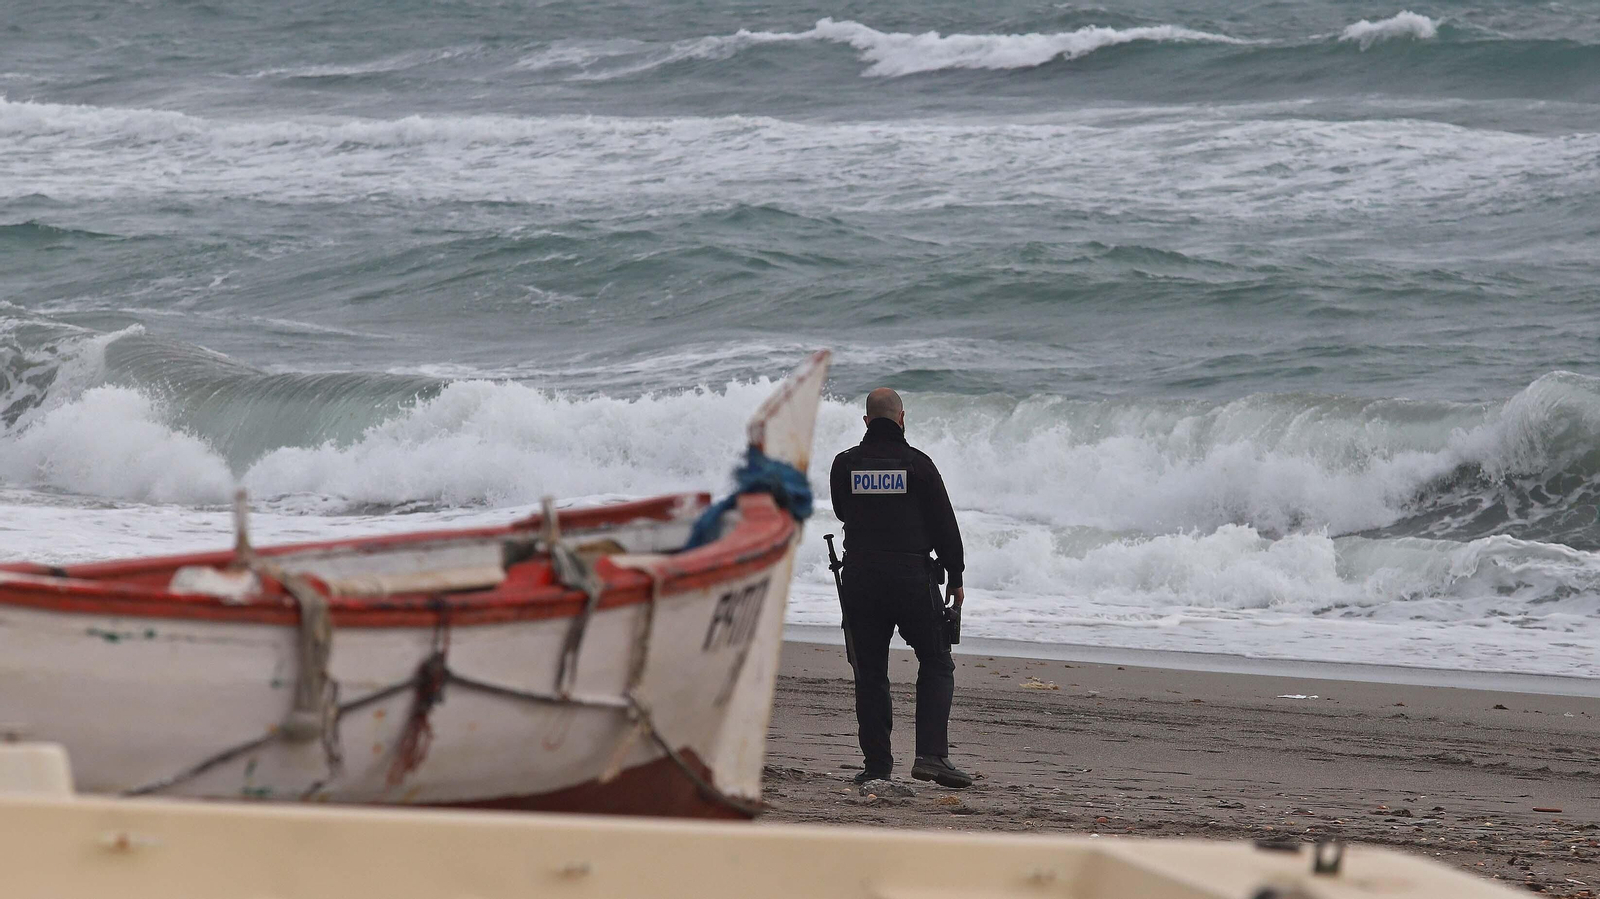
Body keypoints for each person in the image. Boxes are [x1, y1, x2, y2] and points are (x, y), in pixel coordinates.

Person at [829, 387, 972, 789]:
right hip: (912, 579)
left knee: (870, 671)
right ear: (902, 418)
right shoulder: (919, 465)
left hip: (861, 579)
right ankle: (931, 756)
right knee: (937, 661)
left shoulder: (845, 465)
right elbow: (945, 526)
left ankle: (877, 765)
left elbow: (842, 510)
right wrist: (956, 577)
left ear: (866, 422)